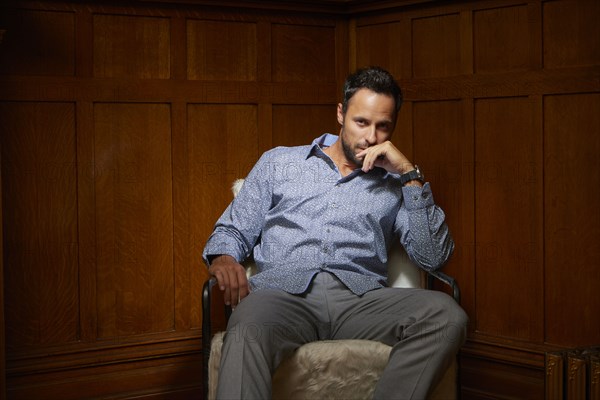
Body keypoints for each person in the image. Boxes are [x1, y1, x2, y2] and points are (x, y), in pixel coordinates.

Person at [203, 66, 468, 399]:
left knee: (447, 316)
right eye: (362, 122)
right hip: (282, 297)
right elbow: (233, 228)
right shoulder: (279, 163)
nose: (371, 137)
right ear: (341, 113)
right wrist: (224, 258)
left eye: (383, 126)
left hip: (359, 301)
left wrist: (409, 174)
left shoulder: (394, 185)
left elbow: (433, 256)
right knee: (246, 325)